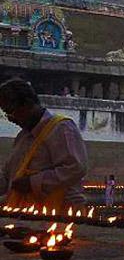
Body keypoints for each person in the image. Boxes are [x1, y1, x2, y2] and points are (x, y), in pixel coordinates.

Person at [0, 79, 89, 211]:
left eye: (11, 112)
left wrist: (32, 182)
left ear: (28, 104)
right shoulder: (22, 137)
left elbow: (75, 168)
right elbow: (9, 178)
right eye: (6, 114)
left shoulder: (61, 128)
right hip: (27, 215)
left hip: (59, 216)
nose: (11, 119)